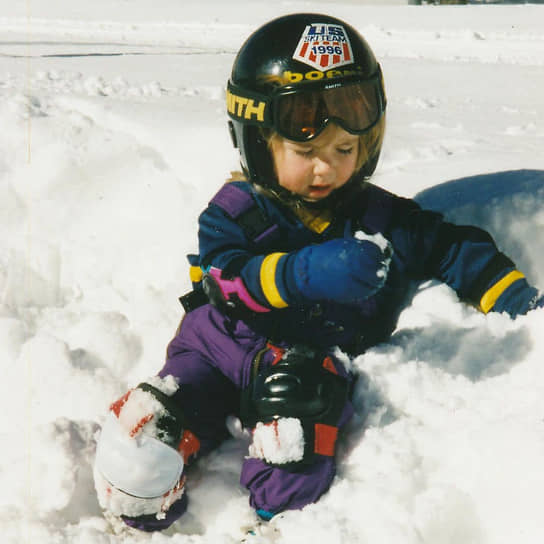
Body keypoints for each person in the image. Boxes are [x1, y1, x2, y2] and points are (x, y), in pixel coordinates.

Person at [93, 13, 543, 533]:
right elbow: (225, 277)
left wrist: (516, 304)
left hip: (306, 365)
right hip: (217, 347)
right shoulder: (235, 212)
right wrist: (299, 275)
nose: (326, 167)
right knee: (146, 428)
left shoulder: (384, 221)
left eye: (344, 150)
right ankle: (142, 504)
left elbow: (453, 248)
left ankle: (275, 523)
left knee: (296, 431)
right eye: (306, 152)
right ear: (259, 143)